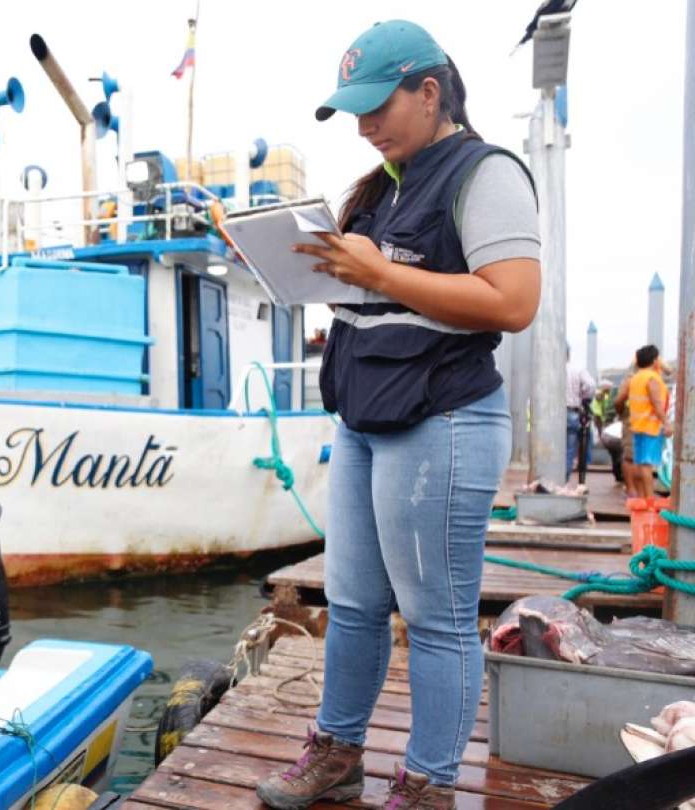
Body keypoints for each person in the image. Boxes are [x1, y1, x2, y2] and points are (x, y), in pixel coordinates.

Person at [254, 20, 540, 810]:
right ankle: (339, 754)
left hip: (441, 420)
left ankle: (428, 783)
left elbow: (513, 303)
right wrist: (280, 256)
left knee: (439, 618)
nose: (363, 123)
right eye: (354, 110)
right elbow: (362, 293)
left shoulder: (484, 174)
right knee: (351, 605)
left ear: (430, 91)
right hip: (364, 421)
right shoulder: (385, 186)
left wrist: (379, 271)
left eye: (378, 104)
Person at [615, 345, 672, 499]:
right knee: (647, 465)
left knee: (640, 464)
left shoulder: (635, 379)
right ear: (655, 361)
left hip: (637, 426)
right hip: (650, 428)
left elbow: (619, 401)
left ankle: (642, 499)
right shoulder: (651, 379)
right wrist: (667, 423)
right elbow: (656, 404)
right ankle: (649, 499)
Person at [565, 347, 596, 481]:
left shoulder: (548, 369)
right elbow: (590, 385)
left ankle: (553, 479)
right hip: (572, 411)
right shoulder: (577, 369)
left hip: (551, 415)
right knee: (569, 450)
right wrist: (584, 397)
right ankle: (562, 480)